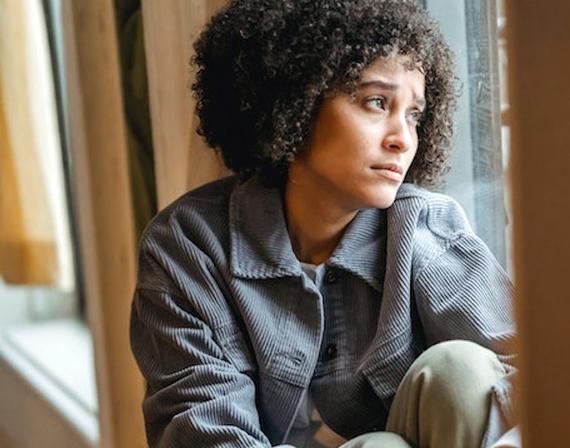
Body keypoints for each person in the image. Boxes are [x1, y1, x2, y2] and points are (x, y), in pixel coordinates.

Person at [129, 0, 516, 447]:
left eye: (414, 114)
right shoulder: (186, 247)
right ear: (295, 100)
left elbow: (536, 378)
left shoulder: (424, 228)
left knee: (461, 373)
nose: (403, 139)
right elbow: (202, 430)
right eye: (376, 102)